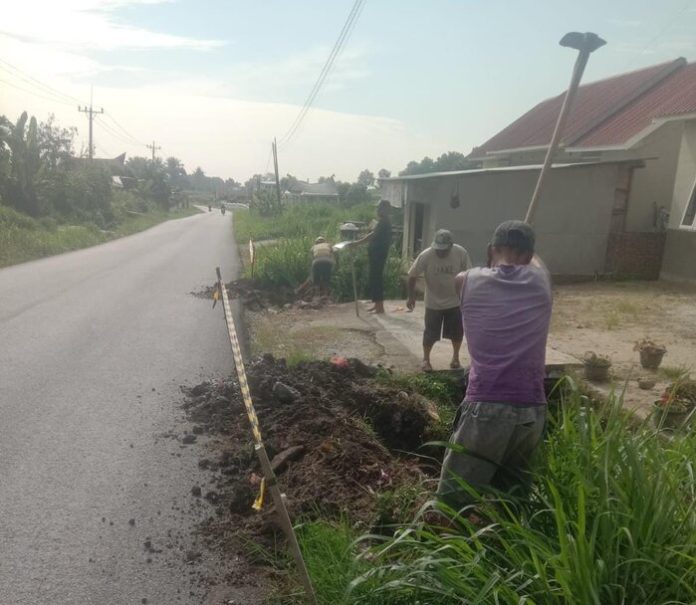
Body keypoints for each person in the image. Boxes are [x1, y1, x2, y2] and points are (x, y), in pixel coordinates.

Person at [437, 220, 552, 511]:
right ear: (528, 256)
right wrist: (527, 251)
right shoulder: (542, 284)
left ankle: (447, 550)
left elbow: (475, 273)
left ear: (490, 251)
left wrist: (496, 261)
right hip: (531, 410)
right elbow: (538, 264)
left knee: (453, 504)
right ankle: (507, 553)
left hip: (487, 406)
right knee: (512, 504)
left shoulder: (466, 280)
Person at [407, 229, 472, 372]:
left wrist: (467, 297)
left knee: (457, 332)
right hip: (433, 302)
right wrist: (411, 296)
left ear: (450, 246)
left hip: (455, 301)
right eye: (438, 249)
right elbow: (412, 275)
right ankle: (426, 359)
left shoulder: (460, 253)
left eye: (444, 250)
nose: (440, 253)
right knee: (430, 333)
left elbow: (468, 275)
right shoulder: (426, 255)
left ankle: (455, 358)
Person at [350, 199, 392, 314]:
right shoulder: (382, 221)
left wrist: (357, 243)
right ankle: (377, 304)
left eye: (379, 208)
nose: (377, 210)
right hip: (376, 255)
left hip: (379, 255)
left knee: (376, 279)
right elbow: (372, 234)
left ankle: (380, 307)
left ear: (385, 209)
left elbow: (372, 236)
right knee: (374, 279)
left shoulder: (384, 222)